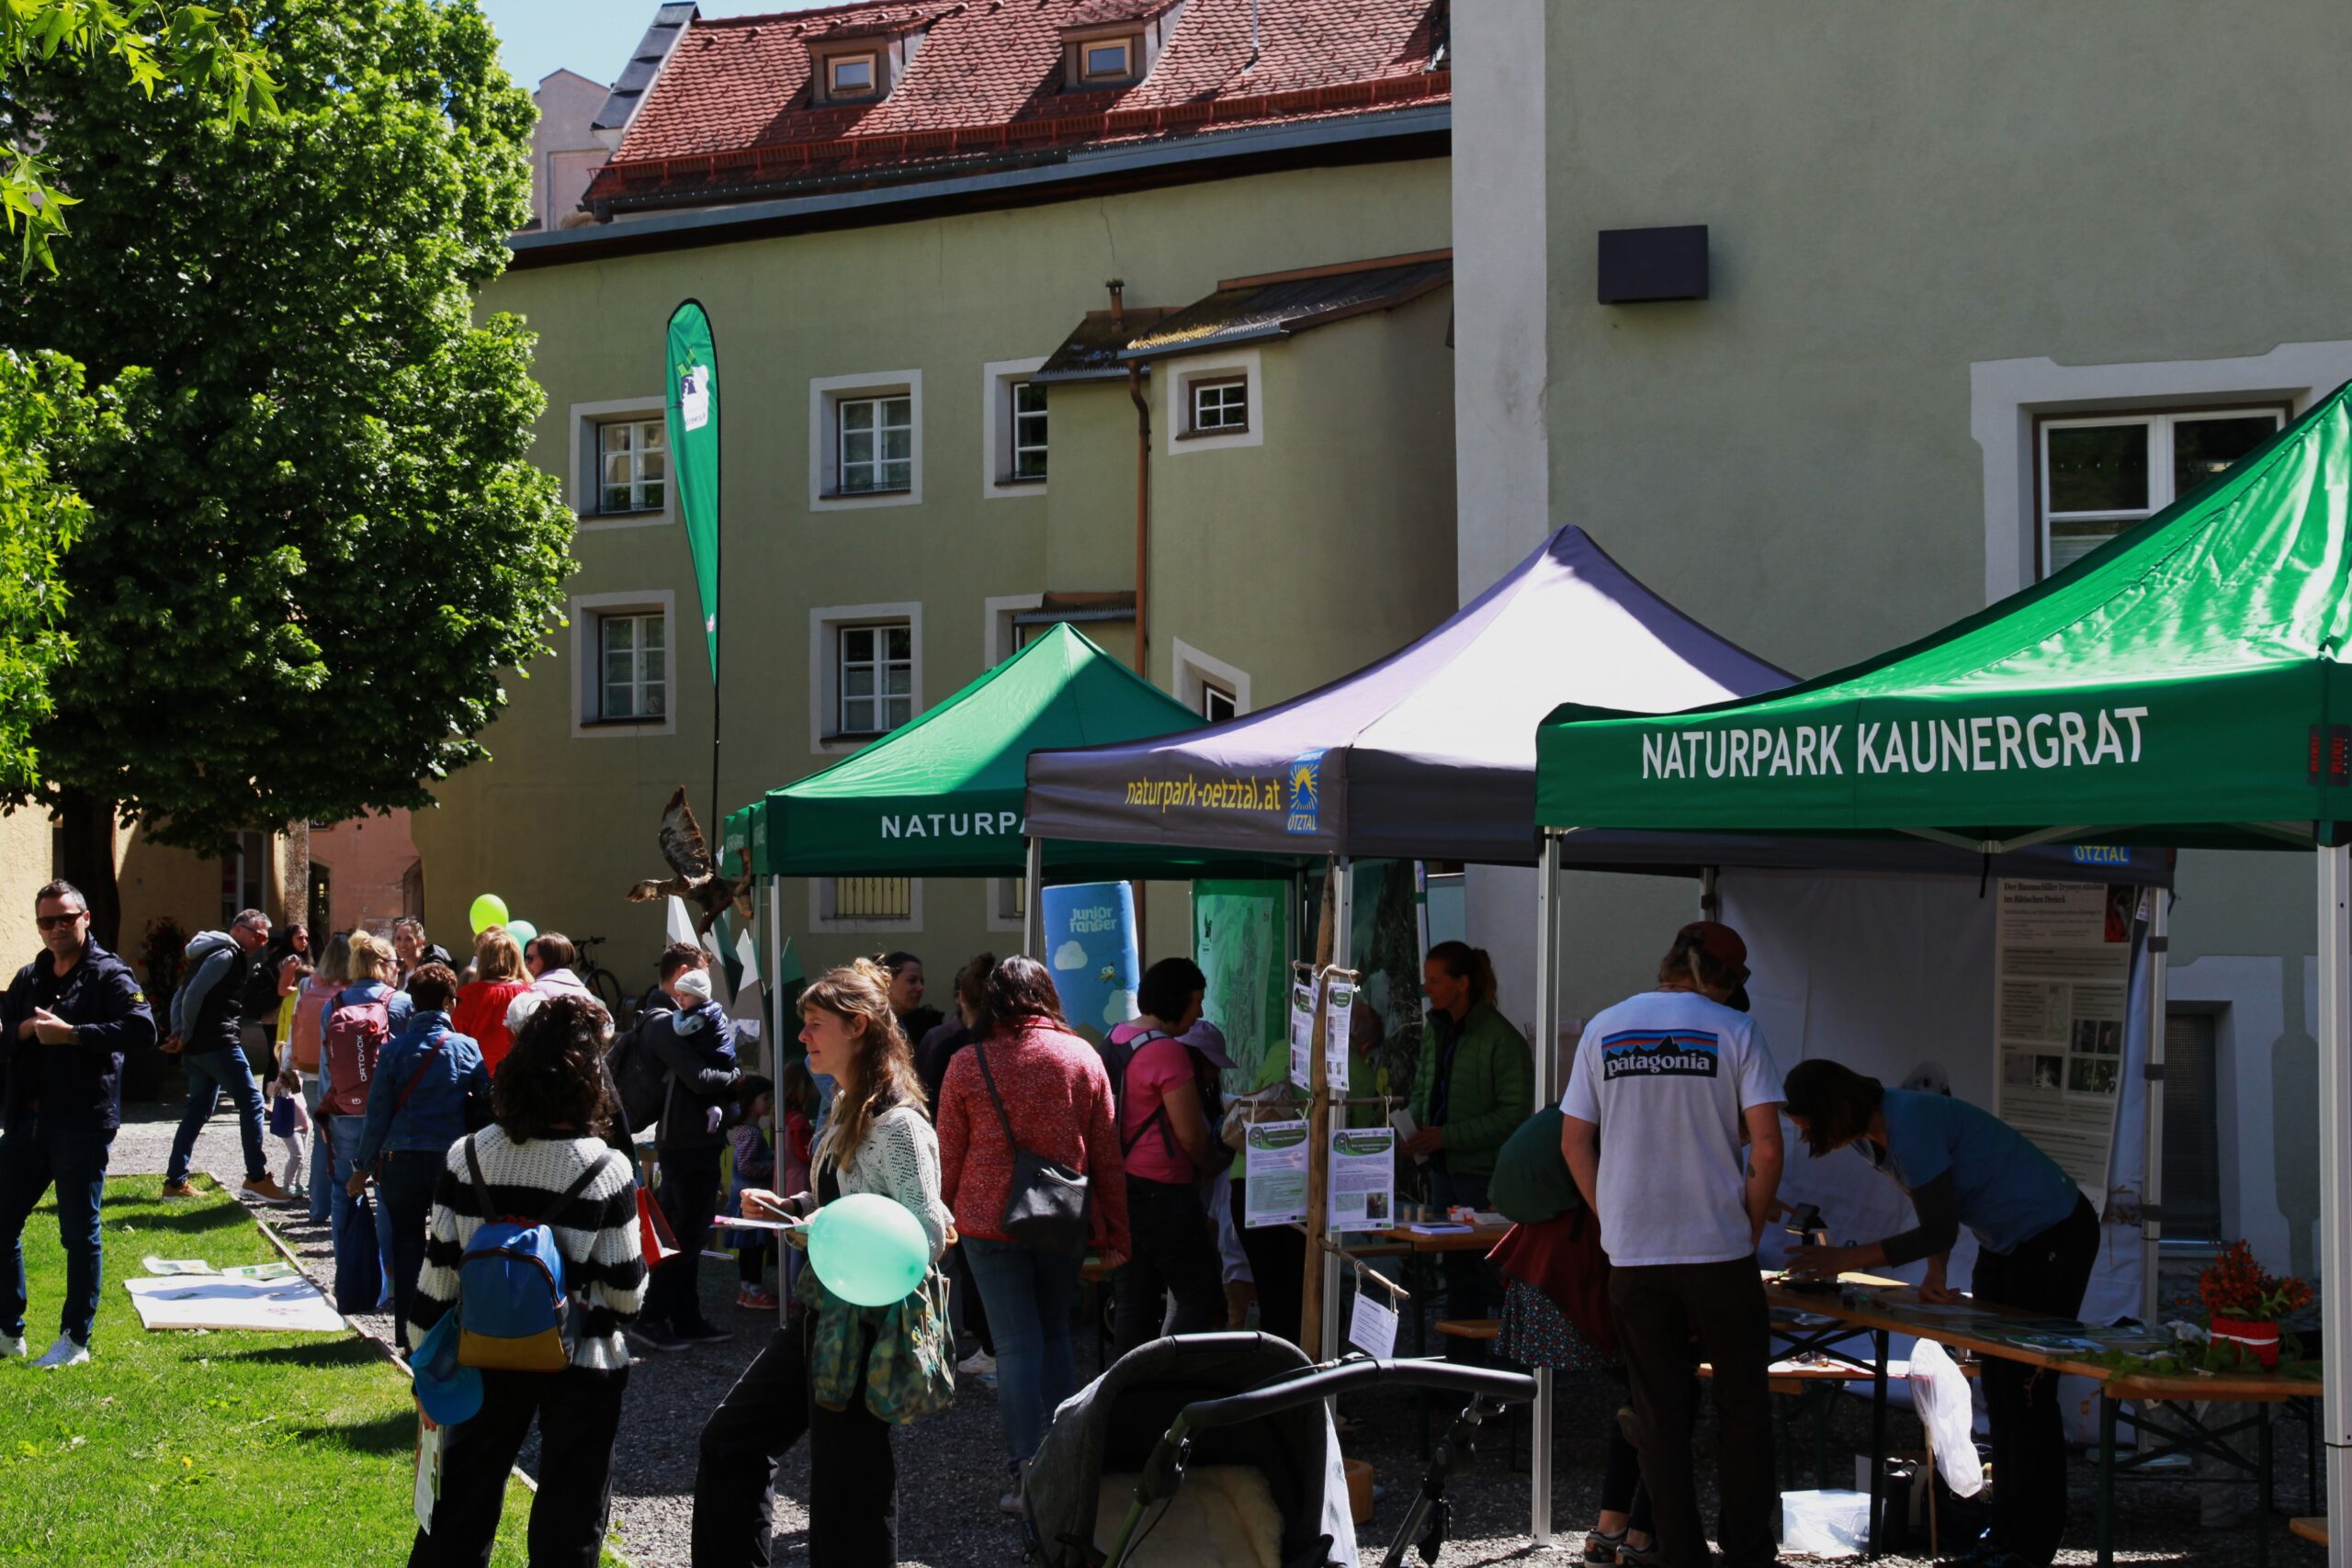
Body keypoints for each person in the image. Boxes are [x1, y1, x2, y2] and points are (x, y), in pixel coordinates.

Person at [1781, 1058, 2096, 1568]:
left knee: (2029, 1395)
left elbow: (1937, 1230)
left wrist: (1844, 1260)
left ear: (1836, 1107)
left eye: (1810, 1127)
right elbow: (1934, 1208)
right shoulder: (1869, 1138)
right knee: (1999, 1385)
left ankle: (2031, 1548)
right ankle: (2005, 1536)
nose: (1808, 1139)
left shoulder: (1911, 1123)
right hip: (2006, 1242)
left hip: (2054, 1233)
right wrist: (1935, 1275)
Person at [693, 960, 954, 1567]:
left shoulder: (898, 1125)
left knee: (849, 1494)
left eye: (814, 1024)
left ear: (857, 1025)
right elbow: (843, 1200)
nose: (804, 1036)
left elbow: (928, 1231)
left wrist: (830, 1228)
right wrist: (792, 1207)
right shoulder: (842, 1105)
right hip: (823, 1311)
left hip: (867, 1328)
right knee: (730, 1441)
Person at [1561, 921, 1784, 1568]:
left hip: (1636, 1256)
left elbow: (1574, 1140)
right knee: (1743, 1408)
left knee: (1657, 1412)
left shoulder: (1606, 1026)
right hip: (1718, 1249)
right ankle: (1746, 1551)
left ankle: (1679, 1553)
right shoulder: (1736, 1031)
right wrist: (1751, 1225)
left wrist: (1612, 1219)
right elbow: (1767, 1146)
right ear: (1721, 981)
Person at [406, 995, 645, 1567]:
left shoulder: (467, 1158)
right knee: (572, 1513)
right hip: (581, 1361)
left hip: (482, 1354)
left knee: (459, 1508)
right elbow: (626, 1296)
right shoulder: (606, 1168)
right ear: (592, 1081)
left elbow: (437, 1278)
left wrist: (425, 1365)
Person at [936, 954, 1130, 1507]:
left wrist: (940, 1220)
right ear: (1049, 996)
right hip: (1058, 1214)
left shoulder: (967, 1064)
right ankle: (1063, 1468)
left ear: (993, 1001)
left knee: (1016, 1346)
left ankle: (1025, 1475)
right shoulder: (1081, 1057)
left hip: (984, 1221)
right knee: (1053, 1338)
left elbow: (949, 1155)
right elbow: (1107, 1155)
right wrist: (1117, 1231)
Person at [1489, 1105, 1657, 1566]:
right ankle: (1638, 1539)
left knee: (1641, 1396)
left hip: (1551, 1265)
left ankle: (1611, 1530)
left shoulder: (1590, 1104)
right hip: (1579, 1268)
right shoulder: (1625, 1125)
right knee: (1659, 1396)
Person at [0, 880, 155, 1368]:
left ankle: (75, 1340)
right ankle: (9, 1331)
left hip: (81, 1121)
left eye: (66, 918)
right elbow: (7, 1030)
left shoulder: (110, 974)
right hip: (28, 1118)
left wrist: (74, 1036)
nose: (57, 928)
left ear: (86, 918)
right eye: (48, 921)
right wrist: (26, 1029)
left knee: (78, 1232)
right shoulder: (31, 976)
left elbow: (143, 1029)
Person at [350, 963, 490, 1348]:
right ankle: (452, 1331)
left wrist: (361, 1167)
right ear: (449, 1002)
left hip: (400, 1161)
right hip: (451, 1161)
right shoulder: (467, 1047)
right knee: (453, 1248)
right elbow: (489, 1104)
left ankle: (409, 1337)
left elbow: (376, 1115)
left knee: (407, 1247)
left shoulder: (393, 1051)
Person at [1403, 942, 1532, 1326]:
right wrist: (1409, 1129)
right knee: (1459, 1276)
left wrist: (1447, 1137)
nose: (1427, 988)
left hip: (1483, 1177)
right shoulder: (1435, 1030)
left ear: (1462, 983)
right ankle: (1461, 1371)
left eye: (1435, 981)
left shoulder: (1501, 1040)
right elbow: (1423, 1089)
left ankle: (1505, 1371)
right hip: (1443, 1172)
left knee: (1490, 1275)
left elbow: (1514, 1115)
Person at [1111, 957, 1225, 1356]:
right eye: (1196, 1001)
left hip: (1122, 1187)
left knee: (1134, 1300)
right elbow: (1191, 1135)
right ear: (1176, 999)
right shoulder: (1168, 1052)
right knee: (1200, 1292)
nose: (1200, 1012)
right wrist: (1212, 1163)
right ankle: (1170, 1383)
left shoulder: (1116, 1039)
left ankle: (1125, 1396)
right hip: (1163, 1190)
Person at [633, 942, 742, 1351]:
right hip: (685, 1140)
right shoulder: (666, 1022)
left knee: (690, 1232)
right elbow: (699, 1078)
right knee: (683, 1232)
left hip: (690, 1138)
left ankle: (683, 1316)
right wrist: (733, 1075)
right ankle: (654, 1316)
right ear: (682, 973)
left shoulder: (675, 1018)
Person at [162, 908, 290, 1202]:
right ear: (240, 929)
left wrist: (181, 1033)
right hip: (217, 1043)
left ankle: (175, 1182)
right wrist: (183, 1034)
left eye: (266, 938)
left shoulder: (208, 954)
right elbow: (192, 995)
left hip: (199, 1047)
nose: (262, 942)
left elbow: (180, 995)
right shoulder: (226, 955)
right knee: (253, 1102)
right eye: (259, 935)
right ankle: (256, 1178)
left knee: (198, 1110)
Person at [912, 956, 997, 1375]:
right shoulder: (1010, 1047)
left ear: (960, 996)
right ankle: (985, 1345)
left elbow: (923, 1100)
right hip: (1004, 1179)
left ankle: (969, 1344)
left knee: (954, 1264)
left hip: (955, 1167)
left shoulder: (946, 1042)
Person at [320, 931, 408, 1305]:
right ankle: (387, 1274)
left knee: (344, 1190)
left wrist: (330, 1110)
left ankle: (349, 1269)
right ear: (385, 966)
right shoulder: (400, 1003)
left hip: (345, 1113)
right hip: (386, 1115)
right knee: (387, 1194)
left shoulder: (333, 1004)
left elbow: (328, 1067)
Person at [294, 933, 348, 1223]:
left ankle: (318, 1207)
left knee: (320, 1138)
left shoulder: (306, 984)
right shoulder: (351, 992)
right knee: (348, 1137)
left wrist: (287, 1066)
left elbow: (294, 1024)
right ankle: (346, 1201)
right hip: (343, 1073)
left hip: (310, 1070)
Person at [728, 1074, 778, 1311]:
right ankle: (755, 1291)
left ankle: (746, 1290)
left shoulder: (743, 1130)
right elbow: (746, 1165)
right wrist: (775, 1167)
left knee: (748, 1250)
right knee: (754, 1249)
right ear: (750, 1101)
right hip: (752, 1201)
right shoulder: (752, 1133)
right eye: (766, 1098)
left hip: (741, 1199)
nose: (770, 1103)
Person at [453, 927, 531, 1072]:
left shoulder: (468, 994)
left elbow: (458, 1039)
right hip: (519, 1077)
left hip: (479, 1076)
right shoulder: (529, 993)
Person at [504, 931, 603, 1037]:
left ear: (549, 959)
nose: (525, 963)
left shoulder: (537, 990)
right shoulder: (584, 991)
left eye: (529, 958)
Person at [268, 1066, 312, 1201]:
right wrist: (280, 1084)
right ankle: (287, 1185)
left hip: (304, 1123)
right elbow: (271, 1091)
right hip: (290, 1125)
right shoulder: (284, 1077)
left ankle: (297, 1184)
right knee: (297, 1155)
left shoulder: (303, 1073)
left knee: (302, 1157)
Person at [883, 950, 943, 1045]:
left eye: (921, 982)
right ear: (888, 981)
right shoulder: (875, 1026)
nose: (920, 988)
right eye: (912, 980)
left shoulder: (910, 1026)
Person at [391, 915, 454, 988]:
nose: (402, 944)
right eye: (398, 939)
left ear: (420, 941)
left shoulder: (430, 971)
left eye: (409, 939)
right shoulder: (397, 971)